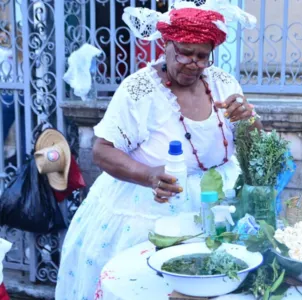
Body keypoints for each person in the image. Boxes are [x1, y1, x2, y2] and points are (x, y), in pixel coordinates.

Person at [55, 1, 261, 298]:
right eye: (185, 53)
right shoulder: (139, 89)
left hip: (219, 208)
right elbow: (101, 150)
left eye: (203, 56)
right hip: (149, 210)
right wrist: (149, 175)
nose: (194, 63)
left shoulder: (223, 83)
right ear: (165, 45)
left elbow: (254, 145)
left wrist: (250, 119)